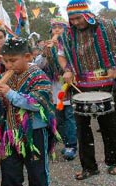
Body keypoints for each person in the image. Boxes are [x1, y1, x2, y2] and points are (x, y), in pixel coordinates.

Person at [0, 37, 59, 186]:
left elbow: (37, 103)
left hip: (34, 132)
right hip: (9, 133)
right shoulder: (3, 77)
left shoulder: (39, 76)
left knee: (37, 175)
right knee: (9, 177)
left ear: (27, 57)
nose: (8, 65)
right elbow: (0, 109)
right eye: (5, 61)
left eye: (13, 60)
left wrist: (10, 93)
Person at [64, 0, 116, 180]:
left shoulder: (109, 28)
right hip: (80, 86)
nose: (76, 22)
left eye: (78, 18)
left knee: (108, 126)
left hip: (104, 84)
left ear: (87, 14)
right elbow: (63, 56)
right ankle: (89, 167)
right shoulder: (68, 35)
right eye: (72, 19)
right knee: (82, 129)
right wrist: (67, 70)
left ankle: (112, 162)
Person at [37, 15, 77, 160]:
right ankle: (64, 143)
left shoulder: (71, 44)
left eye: (61, 27)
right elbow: (38, 66)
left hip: (69, 85)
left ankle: (72, 145)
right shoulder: (47, 46)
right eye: (55, 27)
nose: (57, 30)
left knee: (70, 117)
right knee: (58, 118)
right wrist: (45, 53)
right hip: (54, 88)